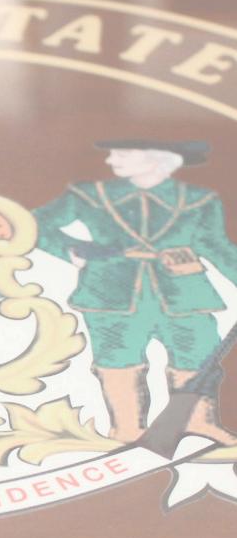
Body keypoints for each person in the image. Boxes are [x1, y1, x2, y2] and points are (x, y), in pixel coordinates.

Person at [33, 139, 237, 444]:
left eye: (122, 154)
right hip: (110, 292)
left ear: (156, 158)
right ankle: (127, 429)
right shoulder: (90, 194)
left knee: (197, 353)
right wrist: (73, 250)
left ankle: (197, 422)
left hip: (185, 293)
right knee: (117, 357)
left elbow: (216, 245)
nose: (111, 160)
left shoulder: (199, 200)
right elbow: (34, 223)